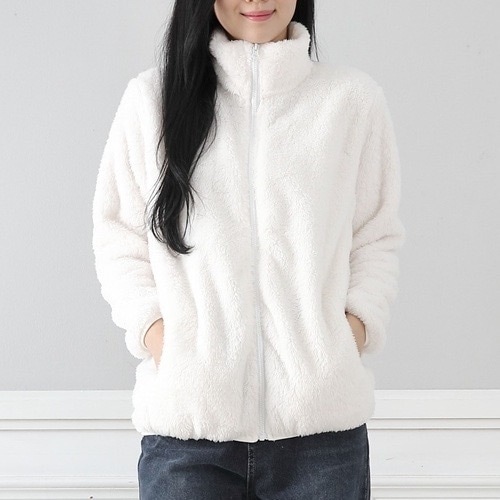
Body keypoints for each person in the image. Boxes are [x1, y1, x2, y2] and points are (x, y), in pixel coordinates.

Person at [92, 0, 405, 498]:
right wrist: (161, 338)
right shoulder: (151, 101)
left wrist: (350, 334)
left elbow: (375, 236)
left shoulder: (350, 101)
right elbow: (119, 238)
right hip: (189, 437)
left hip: (322, 436)